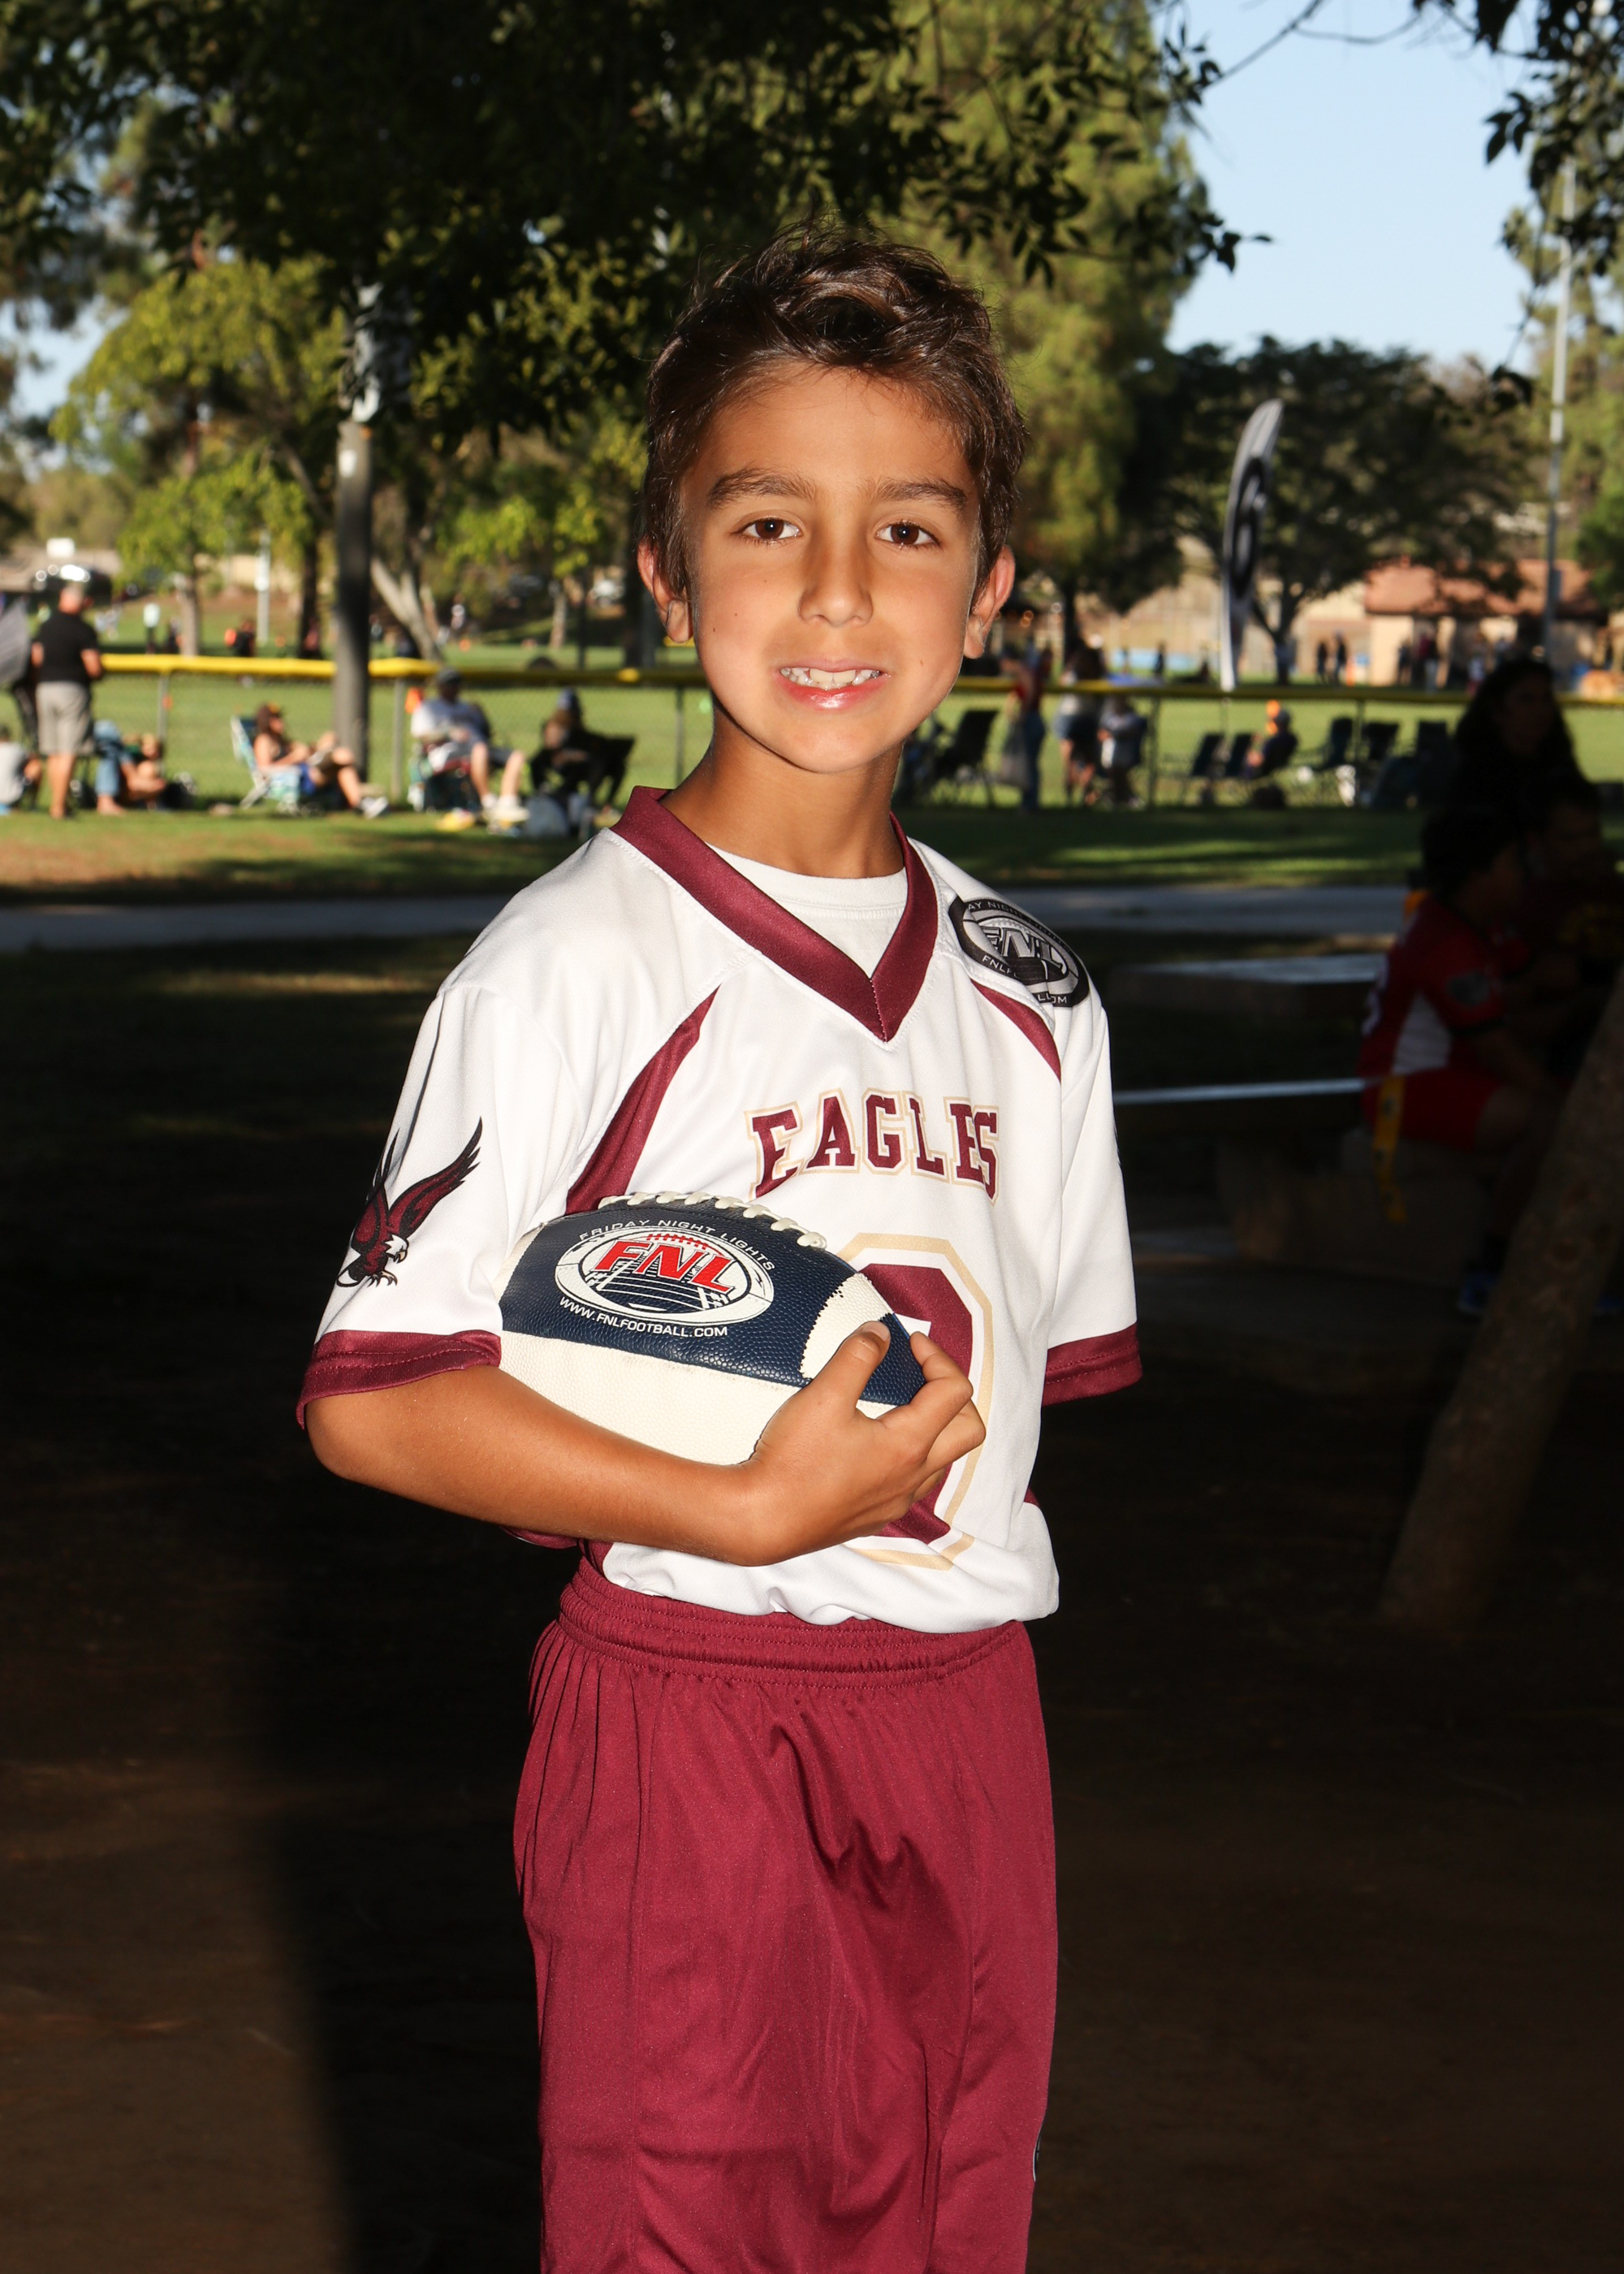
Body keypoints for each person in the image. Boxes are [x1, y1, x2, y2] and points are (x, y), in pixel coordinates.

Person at [300, 229, 1140, 2274]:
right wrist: (742, 1509)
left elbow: (1026, 1391)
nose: (838, 592)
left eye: (908, 529)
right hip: (691, 1699)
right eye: (767, 524)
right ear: (667, 577)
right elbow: (374, 1408)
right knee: (681, 2234)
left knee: (949, 2220)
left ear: (992, 589)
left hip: (965, 1709)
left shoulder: (1034, 994)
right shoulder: (568, 962)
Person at [1358, 804, 1564, 1316]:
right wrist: (1561, 1099)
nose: (1523, 874)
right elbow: (1497, 1046)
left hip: (1454, 1078)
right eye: (1512, 863)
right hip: (1405, 1089)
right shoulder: (1445, 941)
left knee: (1558, 1115)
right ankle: (1492, 1267)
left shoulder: (1480, 926)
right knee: (1549, 1122)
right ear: (1478, 876)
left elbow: (1546, 978)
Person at [1511, 770, 1624, 1078]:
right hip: (1570, 1049)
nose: (1587, 848)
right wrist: (1589, 1005)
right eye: (1571, 839)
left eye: (1593, 834)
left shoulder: (1612, 887)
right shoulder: (1524, 905)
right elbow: (1515, 1025)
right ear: (1537, 843)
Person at [1446, 651, 1587, 826]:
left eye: (1546, 699)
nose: (1540, 710)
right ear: (1497, 710)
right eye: (1526, 700)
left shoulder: (1558, 765)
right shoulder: (1478, 778)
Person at [410, 667, 529, 820]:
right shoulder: (428, 707)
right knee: (480, 749)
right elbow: (421, 736)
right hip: (448, 750)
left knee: (517, 756)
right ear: (439, 685)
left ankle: (508, 802)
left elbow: (487, 733)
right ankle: (488, 801)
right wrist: (448, 733)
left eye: (456, 683)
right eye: (450, 683)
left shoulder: (467, 707)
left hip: (480, 745)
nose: (454, 687)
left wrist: (482, 715)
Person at [31, 578, 102, 819]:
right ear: (83, 602)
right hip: (72, 691)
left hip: (44, 690)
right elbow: (93, 667)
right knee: (69, 749)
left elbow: (36, 658)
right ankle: (59, 807)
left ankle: (57, 801)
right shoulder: (82, 628)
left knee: (52, 751)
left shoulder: (46, 626)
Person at [251, 703, 388, 816]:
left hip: (307, 771)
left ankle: (358, 803)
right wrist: (294, 758)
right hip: (297, 778)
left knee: (341, 761)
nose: (281, 722)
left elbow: (302, 750)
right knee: (341, 756)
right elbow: (264, 769)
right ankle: (361, 800)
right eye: (276, 718)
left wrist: (312, 748)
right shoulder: (264, 741)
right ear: (267, 721)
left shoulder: (282, 740)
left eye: (280, 717)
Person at [93, 727, 173, 814]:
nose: (152, 752)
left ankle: (151, 804)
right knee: (147, 769)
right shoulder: (134, 761)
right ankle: (146, 801)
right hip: (126, 793)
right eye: (148, 749)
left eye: (155, 750)